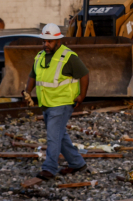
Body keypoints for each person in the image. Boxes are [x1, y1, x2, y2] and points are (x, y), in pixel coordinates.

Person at [24, 24, 90, 180]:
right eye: (44, 41)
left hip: (62, 103)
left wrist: (81, 96)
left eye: (50, 41)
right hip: (46, 103)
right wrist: (27, 91)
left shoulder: (68, 57)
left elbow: (84, 75)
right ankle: (77, 163)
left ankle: (49, 168)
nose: (46, 44)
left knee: (53, 136)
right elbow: (32, 75)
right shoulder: (40, 56)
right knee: (60, 135)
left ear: (59, 40)